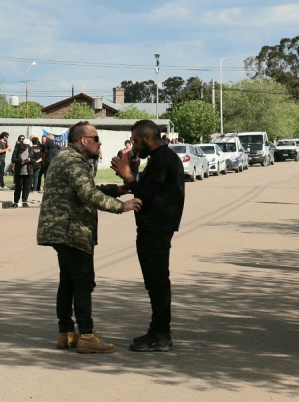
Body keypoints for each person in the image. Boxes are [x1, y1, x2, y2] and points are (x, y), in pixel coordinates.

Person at [37, 121, 141, 354]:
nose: (100, 142)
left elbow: (86, 188)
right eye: (96, 138)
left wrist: (116, 190)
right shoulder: (73, 160)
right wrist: (121, 206)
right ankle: (86, 335)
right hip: (70, 230)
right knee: (83, 282)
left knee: (68, 282)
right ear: (84, 140)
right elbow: (87, 194)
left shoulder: (66, 158)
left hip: (62, 230)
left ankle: (66, 333)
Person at [110, 119, 185, 352]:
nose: (133, 145)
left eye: (135, 140)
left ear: (148, 138)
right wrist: (129, 178)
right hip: (154, 227)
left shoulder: (163, 159)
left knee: (158, 283)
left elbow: (148, 196)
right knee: (155, 283)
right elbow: (149, 191)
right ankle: (157, 330)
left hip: (156, 229)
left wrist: (129, 176)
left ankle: (162, 334)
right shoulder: (160, 158)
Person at [11, 137, 35, 208]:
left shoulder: (31, 150)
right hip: (19, 172)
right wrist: (20, 160)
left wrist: (29, 160)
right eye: (24, 146)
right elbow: (13, 159)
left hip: (29, 172)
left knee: (27, 187)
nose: (25, 147)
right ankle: (16, 201)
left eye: (26, 146)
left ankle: (24, 201)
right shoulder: (17, 149)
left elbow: (34, 160)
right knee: (18, 187)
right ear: (22, 144)